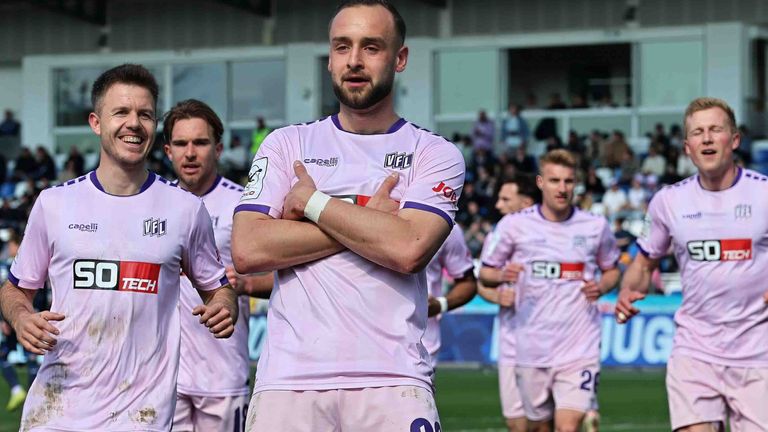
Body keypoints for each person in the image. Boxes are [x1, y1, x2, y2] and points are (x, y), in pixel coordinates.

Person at [232, 1, 465, 430]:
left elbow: (409, 249)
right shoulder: (286, 145)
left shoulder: (434, 154)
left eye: (371, 47)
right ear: (330, 58)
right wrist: (370, 222)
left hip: (394, 380)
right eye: (342, 47)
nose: (354, 60)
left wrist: (312, 206)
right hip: (288, 382)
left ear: (400, 58)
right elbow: (248, 249)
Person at [0, 64, 238, 431]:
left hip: (140, 416)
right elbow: (15, 289)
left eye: (145, 114)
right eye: (121, 112)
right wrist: (21, 318)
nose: (134, 123)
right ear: (96, 122)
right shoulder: (53, 204)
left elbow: (218, 290)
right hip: (57, 410)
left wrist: (224, 306)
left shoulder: (186, 209)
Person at [616, 97, 768, 431]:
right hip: (695, 351)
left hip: (759, 354)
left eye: (716, 129)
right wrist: (627, 292)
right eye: (698, 132)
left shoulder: (764, 195)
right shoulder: (668, 201)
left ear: (735, 139)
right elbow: (644, 263)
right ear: (688, 147)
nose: (708, 138)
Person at [480, 150, 620, 432]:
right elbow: (485, 272)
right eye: (555, 180)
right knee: (536, 427)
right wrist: (501, 275)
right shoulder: (514, 226)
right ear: (541, 182)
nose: (562, 188)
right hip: (531, 348)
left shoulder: (595, 227)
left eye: (569, 181)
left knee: (567, 426)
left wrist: (602, 286)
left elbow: (612, 270)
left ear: (576, 183)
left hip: (580, 347)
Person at [163, 99, 273, 432]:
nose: (190, 153)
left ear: (219, 148)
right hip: (164, 379)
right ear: (168, 151)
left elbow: (286, 276)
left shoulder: (245, 205)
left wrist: (247, 284)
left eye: (200, 142)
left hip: (224, 375)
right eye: (181, 144)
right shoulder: (152, 205)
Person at [477, 173, 540, 432]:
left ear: (525, 203)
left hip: (545, 338)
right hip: (511, 338)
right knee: (516, 422)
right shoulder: (496, 236)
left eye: (505, 199)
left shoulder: (552, 234)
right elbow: (481, 281)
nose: (498, 205)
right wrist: (496, 295)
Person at [423, 224, 477, 368]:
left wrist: (440, 305)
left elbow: (468, 283)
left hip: (422, 346)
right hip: (365, 342)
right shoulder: (360, 212)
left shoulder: (446, 225)